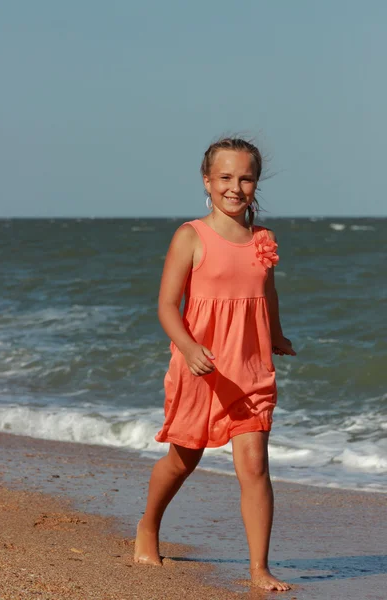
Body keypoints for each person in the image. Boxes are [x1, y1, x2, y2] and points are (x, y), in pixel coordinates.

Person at [134, 136, 296, 592]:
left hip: (249, 367)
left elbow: (267, 293)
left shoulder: (262, 241)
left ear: (255, 183)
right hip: (200, 366)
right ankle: (148, 525)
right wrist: (187, 348)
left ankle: (259, 568)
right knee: (183, 459)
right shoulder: (192, 236)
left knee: (255, 464)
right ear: (207, 181)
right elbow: (167, 306)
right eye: (225, 177)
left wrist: (277, 335)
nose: (235, 186)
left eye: (245, 178)